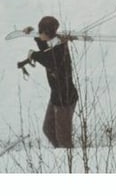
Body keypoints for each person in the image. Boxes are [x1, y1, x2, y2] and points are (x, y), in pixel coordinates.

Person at [24, 15, 78, 149]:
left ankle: (68, 160)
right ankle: (61, 153)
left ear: (46, 33)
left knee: (64, 140)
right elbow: (46, 49)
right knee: (48, 129)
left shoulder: (60, 49)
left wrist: (33, 54)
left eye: (40, 30)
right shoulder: (55, 45)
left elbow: (50, 59)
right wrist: (35, 35)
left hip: (65, 99)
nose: (39, 32)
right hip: (56, 96)